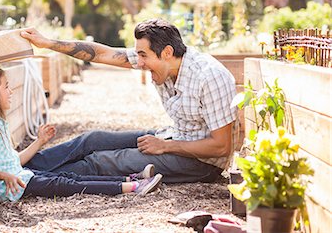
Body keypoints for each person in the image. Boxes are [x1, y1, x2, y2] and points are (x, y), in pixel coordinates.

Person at [20, 18, 238, 183]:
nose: (139, 63)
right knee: (92, 140)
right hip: (174, 136)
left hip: (201, 163)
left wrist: (165, 146)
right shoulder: (163, 61)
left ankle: (27, 179)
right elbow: (101, 54)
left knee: (102, 161)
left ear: (167, 52)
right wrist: (47, 43)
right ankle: (17, 165)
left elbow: (221, 147)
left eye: (143, 56)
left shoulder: (209, 77)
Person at [0, 65, 164, 202]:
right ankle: (132, 186)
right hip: (7, 186)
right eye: (5, 87)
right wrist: (3, 176)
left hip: (17, 177)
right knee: (66, 183)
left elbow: (13, 161)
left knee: (69, 175)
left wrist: (39, 141)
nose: (11, 92)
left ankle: (130, 179)